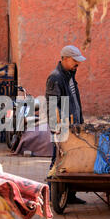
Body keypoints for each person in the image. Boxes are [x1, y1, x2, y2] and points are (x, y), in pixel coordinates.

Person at [45, 45, 86, 204]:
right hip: (62, 127)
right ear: (66, 59)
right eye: (75, 61)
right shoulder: (55, 78)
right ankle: (50, 196)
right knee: (57, 160)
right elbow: (52, 104)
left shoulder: (69, 75)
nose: (78, 64)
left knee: (73, 160)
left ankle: (70, 195)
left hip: (73, 125)